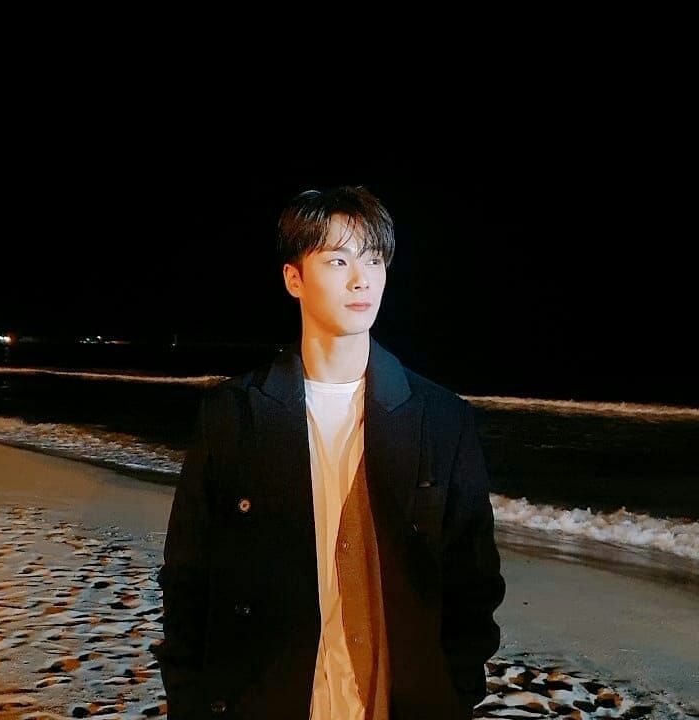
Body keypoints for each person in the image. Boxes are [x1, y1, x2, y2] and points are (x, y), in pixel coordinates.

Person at [155, 185, 506, 719]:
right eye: (338, 260)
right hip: (273, 698)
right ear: (294, 278)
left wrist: (454, 691)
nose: (361, 278)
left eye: (373, 259)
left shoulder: (440, 419)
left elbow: (473, 579)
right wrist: (189, 697)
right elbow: (188, 575)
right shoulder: (232, 415)